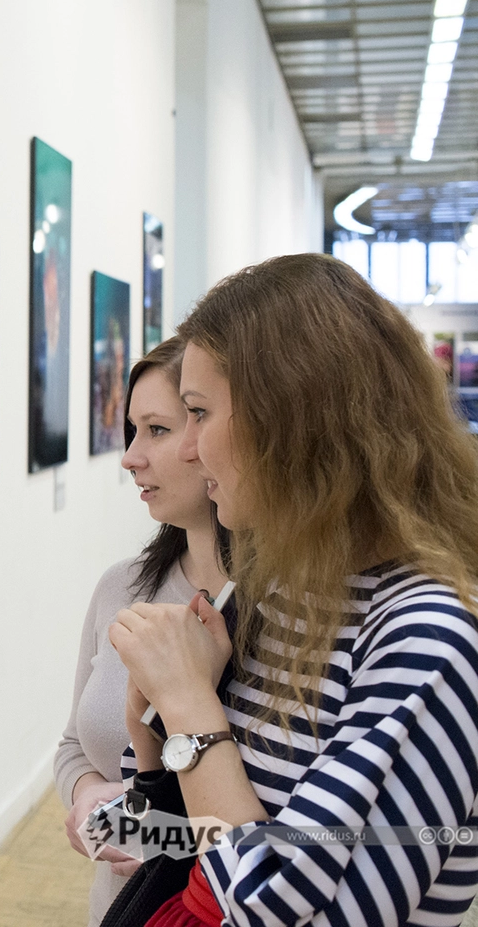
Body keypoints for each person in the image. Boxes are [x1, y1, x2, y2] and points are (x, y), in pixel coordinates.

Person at [109, 253, 478, 925]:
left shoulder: (427, 638)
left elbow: (278, 909)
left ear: (287, 421)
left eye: (197, 414)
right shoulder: (282, 590)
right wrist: (152, 733)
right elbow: (160, 841)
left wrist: (188, 707)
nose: (186, 449)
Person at [56, 336, 230, 926]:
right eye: (133, 431)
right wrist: (85, 793)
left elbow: (286, 843)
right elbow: (73, 746)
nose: (131, 457)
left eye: (157, 430)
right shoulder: (121, 587)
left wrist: (164, 838)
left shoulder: (279, 618)